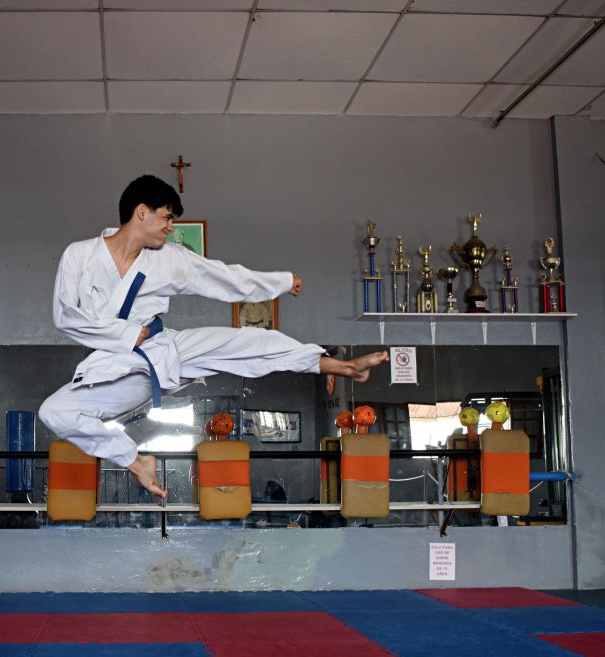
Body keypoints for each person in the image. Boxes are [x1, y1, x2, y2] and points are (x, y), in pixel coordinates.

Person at [39, 175, 389, 499]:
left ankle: (339, 366)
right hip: (113, 367)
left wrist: (279, 282)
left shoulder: (168, 260)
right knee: (54, 411)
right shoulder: (80, 255)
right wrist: (127, 334)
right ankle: (132, 459)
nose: (170, 226)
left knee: (240, 342)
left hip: (163, 350)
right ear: (141, 212)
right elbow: (66, 317)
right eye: (166, 217)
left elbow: (224, 278)